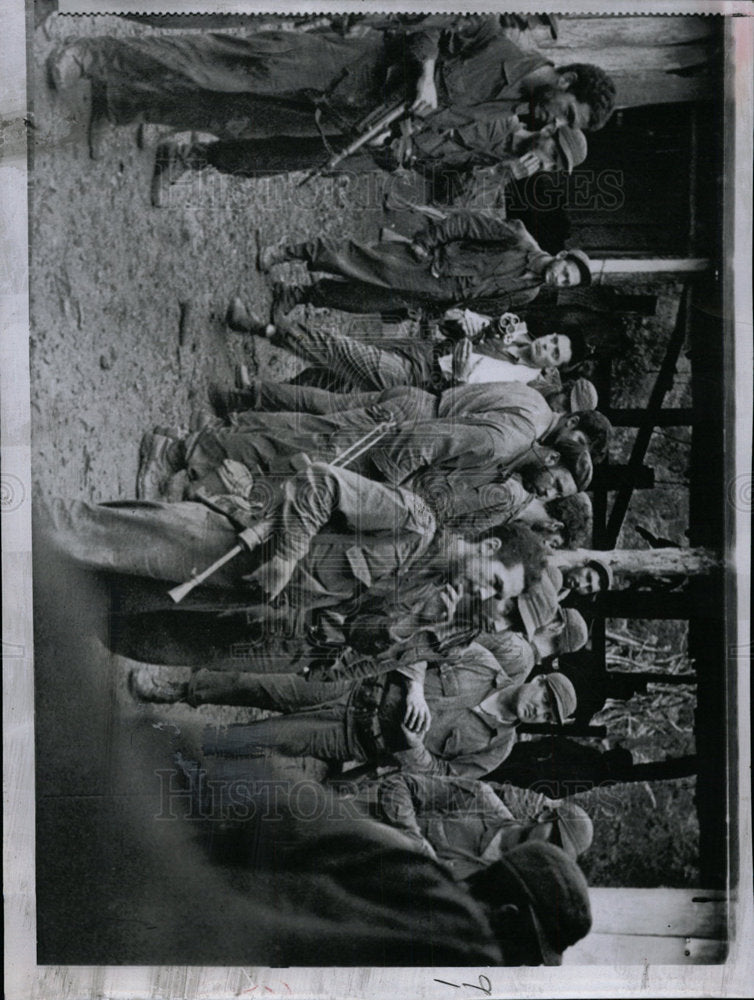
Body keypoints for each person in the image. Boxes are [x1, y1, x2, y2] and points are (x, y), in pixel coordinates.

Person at [131, 637, 578, 777]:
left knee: (257, 739)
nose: (540, 710)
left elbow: (439, 777)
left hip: (355, 738)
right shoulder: (483, 661)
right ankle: (179, 687)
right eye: (545, 699)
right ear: (535, 681)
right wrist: (416, 685)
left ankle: (171, 742)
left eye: (548, 716)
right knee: (259, 684)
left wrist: (411, 745)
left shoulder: (496, 749)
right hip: (355, 683)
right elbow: (425, 640)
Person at [259, 213, 593, 318]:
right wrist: (427, 242)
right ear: (562, 258)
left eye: (566, 283)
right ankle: (287, 252)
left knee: (360, 300)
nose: (560, 279)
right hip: (426, 265)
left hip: (429, 298)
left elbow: (482, 307)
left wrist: (443, 313)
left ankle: (298, 295)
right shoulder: (518, 239)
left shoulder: (527, 295)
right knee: (356, 260)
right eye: (566, 272)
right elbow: (466, 223)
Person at [353, 771, 593, 878]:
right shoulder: (479, 798)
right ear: (544, 816)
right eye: (554, 840)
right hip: (353, 831)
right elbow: (400, 785)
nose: (549, 851)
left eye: (557, 854)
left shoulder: (492, 885)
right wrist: (414, 840)